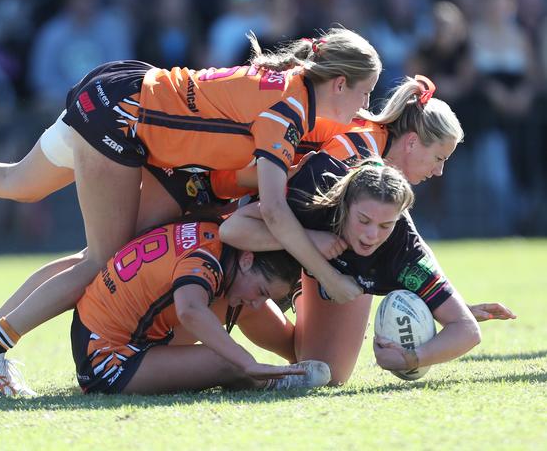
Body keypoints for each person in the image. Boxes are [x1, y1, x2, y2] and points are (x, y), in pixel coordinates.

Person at [0, 27, 380, 395]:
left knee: (18, 183)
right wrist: (330, 276)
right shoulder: (289, 108)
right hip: (122, 115)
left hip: (120, 88)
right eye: (363, 95)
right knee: (102, 259)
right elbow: (275, 212)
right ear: (339, 83)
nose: (364, 107)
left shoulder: (292, 86)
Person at [219, 154, 515, 386]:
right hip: (270, 262)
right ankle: (301, 294)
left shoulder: (405, 252)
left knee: (330, 374)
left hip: (338, 286)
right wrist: (311, 242)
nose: (372, 235)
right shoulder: (316, 188)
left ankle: (305, 302)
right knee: (240, 290)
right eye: (363, 220)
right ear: (345, 205)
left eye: (385, 225)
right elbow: (232, 228)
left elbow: (468, 331)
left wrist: (412, 358)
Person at [0, 220, 331, 396]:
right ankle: (279, 379)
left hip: (113, 332)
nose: (257, 299)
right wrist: (246, 363)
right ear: (247, 259)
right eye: (262, 290)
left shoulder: (216, 240)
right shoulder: (207, 261)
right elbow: (188, 311)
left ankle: (296, 358)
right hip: (108, 359)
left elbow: (205, 302)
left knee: (238, 306)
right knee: (228, 361)